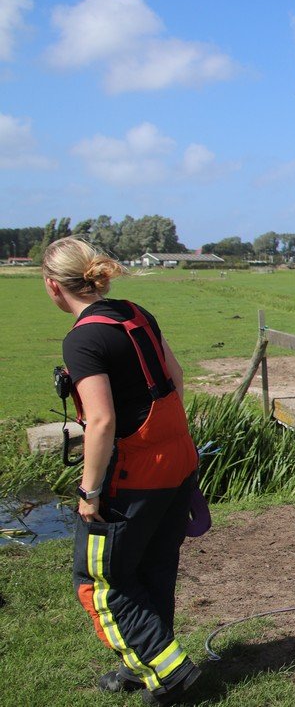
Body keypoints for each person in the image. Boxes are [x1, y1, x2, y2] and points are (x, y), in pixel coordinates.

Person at [42, 237, 202, 704]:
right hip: (178, 464)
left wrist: (89, 491)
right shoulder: (135, 312)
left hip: (132, 477)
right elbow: (176, 378)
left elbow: (101, 421)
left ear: (54, 286)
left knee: (100, 583)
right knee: (152, 569)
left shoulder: (82, 338)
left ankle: (171, 677)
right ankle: (142, 668)